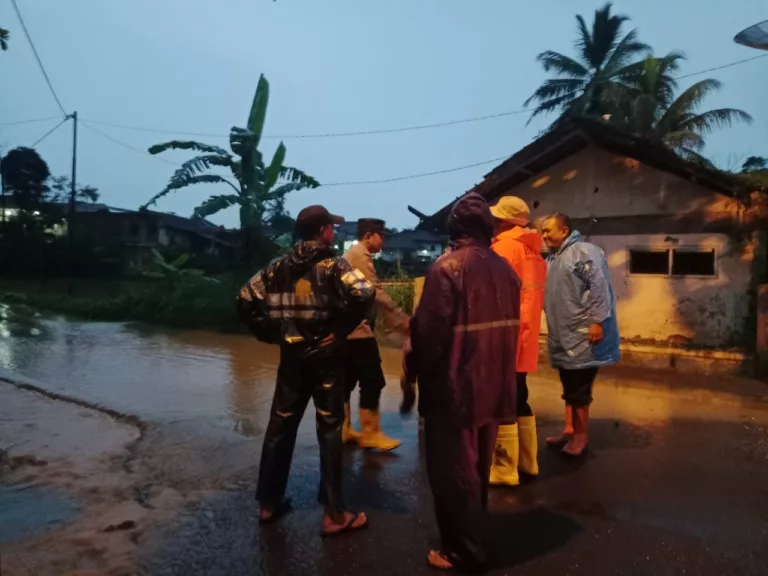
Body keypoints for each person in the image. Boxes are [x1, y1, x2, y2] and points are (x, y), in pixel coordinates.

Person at [236, 205, 374, 537]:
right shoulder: (333, 265)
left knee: (281, 424)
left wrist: (268, 332)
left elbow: (244, 298)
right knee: (329, 428)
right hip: (325, 355)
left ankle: (268, 504)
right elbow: (364, 293)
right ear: (323, 231)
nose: (334, 233)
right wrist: (340, 329)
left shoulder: (277, 267)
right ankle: (333, 515)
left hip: (292, 354)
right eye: (332, 228)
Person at [403, 193, 521, 572]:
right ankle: (473, 535)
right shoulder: (506, 270)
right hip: (494, 386)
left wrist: (412, 370)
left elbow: (428, 336)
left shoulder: (447, 268)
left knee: (454, 473)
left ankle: (462, 551)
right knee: (477, 472)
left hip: (455, 390)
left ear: (455, 228)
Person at [539, 212, 620, 457]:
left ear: (564, 231)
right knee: (569, 385)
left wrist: (597, 321)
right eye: (542, 231)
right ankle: (570, 429)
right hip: (565, 335)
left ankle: (581, 438)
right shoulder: (555, 257)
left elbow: (599, 286)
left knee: (579, 389)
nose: (543, 235)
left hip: (584, 334)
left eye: (547, 230)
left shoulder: (584, 251)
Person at [488, 196, 547, 486]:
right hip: (526, 333)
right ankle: (528, 462)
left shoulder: (503, 248)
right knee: (519, 395)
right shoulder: (533, 250)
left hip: (505, 334)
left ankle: (504, 468)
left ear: (503, 221)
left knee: (504, 398)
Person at [342, 218, 410, 451]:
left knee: (348, 380)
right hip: (356, 329)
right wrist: (402, 321)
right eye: (382, 236)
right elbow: (375, 294)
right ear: (369, 235)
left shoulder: (353, 254)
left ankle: (343, 429)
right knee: (373, 380)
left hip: (346, 329)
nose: (385, 240)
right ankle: (371, 434)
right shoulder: (360, 256)